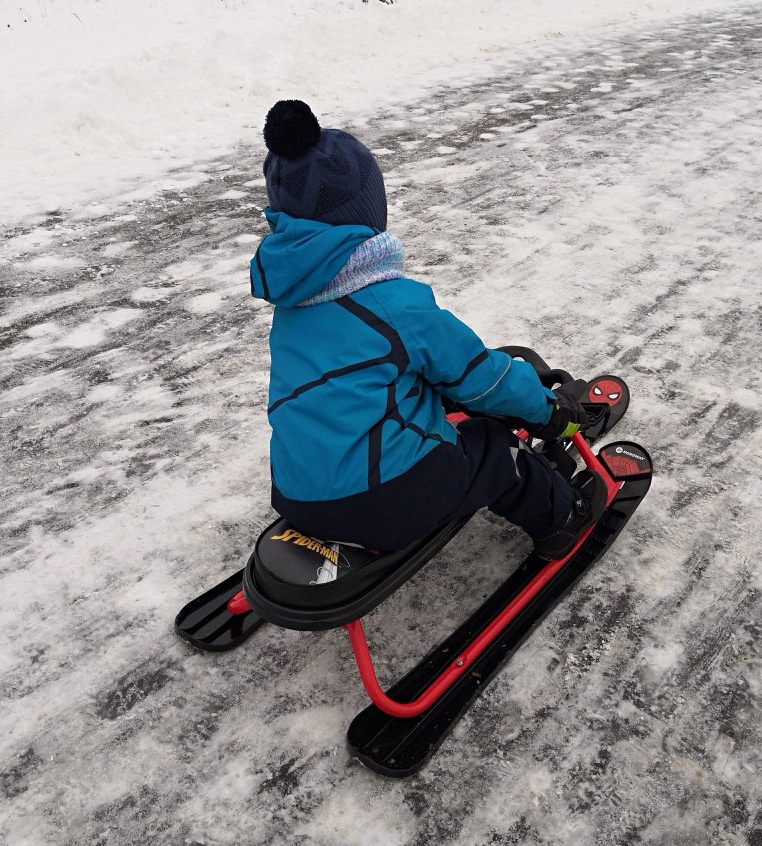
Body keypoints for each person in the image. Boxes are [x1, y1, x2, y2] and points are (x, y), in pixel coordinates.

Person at [249, 100, 606, 560]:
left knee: (401, 384)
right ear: (365, 210)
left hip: (296, 494)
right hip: (379, 500)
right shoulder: (392, 303)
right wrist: (547, 413)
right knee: (495, 450)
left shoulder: (294, 303)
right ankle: (563, 519)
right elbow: (481, 378)